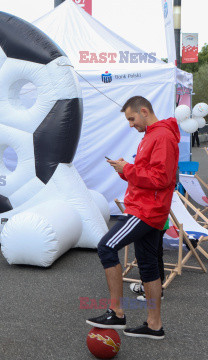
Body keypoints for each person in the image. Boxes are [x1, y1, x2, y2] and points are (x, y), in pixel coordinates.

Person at [86, 96, 179, 340]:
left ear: (145, 111)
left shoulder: (162, 136)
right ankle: (154, 326)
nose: (130, 124)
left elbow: (161, 179)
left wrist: (127, 169)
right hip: (148, 207)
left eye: (131, 118)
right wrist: (124, 170)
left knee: (106, 246)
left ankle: (116, 312)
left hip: (147, 210)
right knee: (148, 264)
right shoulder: (153, 135)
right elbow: (150, 174)